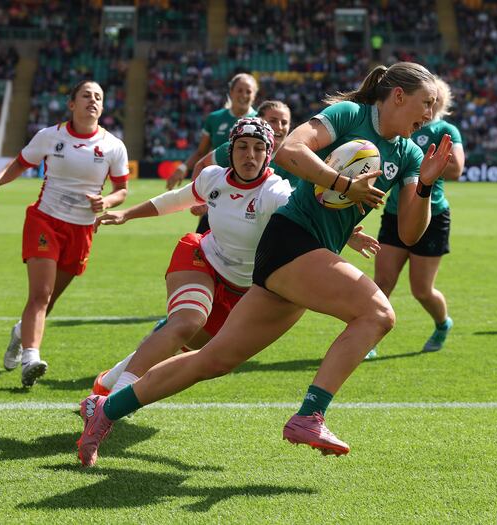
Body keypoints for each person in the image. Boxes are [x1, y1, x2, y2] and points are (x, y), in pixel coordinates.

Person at [77, 62, 452, 466]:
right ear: (399, 96)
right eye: (426, 103)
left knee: (213, 359)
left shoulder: (410, 154)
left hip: (308, 255)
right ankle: (310, 415)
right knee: (378, 314)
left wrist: (426, 185)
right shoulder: (350, 115)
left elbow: (410, 233)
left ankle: (106, 409)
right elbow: (291, 150)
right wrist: (343, 184)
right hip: (292, 240)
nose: (430, 114)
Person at [89, 117, 379, 397]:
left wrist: (348, 235)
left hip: (242, 289)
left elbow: (304, 221)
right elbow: (176, 200)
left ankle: (108, 381)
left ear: (268, 154)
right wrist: (127, 214)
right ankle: (110, 401)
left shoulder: (274, 191)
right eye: (242, 146)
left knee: (186, 343)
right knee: (186, 322)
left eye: (258, 148)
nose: (249, 155)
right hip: (201, 258)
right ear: (230, 150)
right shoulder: (213, 178)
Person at [0, 80, 129, 387]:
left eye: (98, 97)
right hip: (45, 220)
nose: (92, 100)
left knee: (49, 299)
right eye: (86, 95)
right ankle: (31, 358)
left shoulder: (114, 146)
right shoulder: (50, 136)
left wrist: (106, 202)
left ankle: (20, 332)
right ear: (72, 104)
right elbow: (21, 163)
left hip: (81, 229)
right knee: (40, 294)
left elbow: (121, 190)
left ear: (103, 107)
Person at [368, 77, 464, 358]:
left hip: (432, 217)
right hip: (395, 213)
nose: (428, 106)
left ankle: (442, 323)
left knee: (421, 290)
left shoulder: (445, 130)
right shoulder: (400, 127)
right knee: (382, 282)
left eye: (433, 100)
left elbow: (457, 169)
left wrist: (421, 162)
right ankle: (368, 338)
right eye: (424, 100)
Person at [165, 73, 259, 233]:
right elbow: (201, 152)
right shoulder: (215, 118)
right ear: (231, 92)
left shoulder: (260, 120)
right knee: (204, 237)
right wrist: (182, 168)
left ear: (254, 95)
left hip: (246, 191)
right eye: (239, 90)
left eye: (248, 91)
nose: (244, 95)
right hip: (215, 187)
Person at [191, 100, 300, 189]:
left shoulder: (293, 159)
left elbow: (291, 200)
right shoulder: (235, 148)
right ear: (259, 120)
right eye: (273, 121)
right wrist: (198, 200)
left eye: (284, 123)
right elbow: (202, 165)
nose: (279, 127)